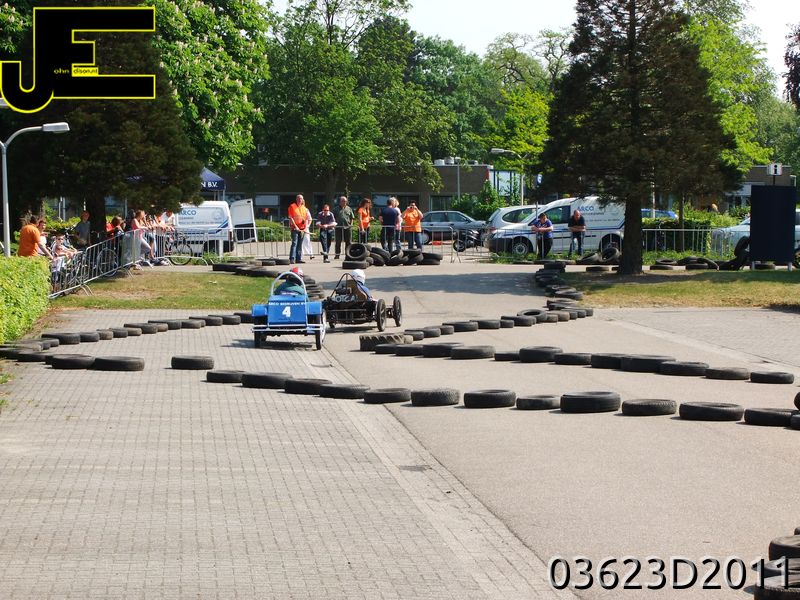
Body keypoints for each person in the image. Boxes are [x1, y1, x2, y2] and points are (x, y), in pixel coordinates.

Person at [288, 194, 310, 264]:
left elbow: (306, 219)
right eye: (299, 198)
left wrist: (306, 227)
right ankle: (292, 258)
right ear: (296, 199)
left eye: (301, 199)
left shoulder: (304, 208)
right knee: (294, 243)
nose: (300, 200)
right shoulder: (292, 206)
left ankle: (298, 258)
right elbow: (291, 217)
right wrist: (295, 226)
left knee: (300, 244)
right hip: (295, 228)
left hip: (302, 229)